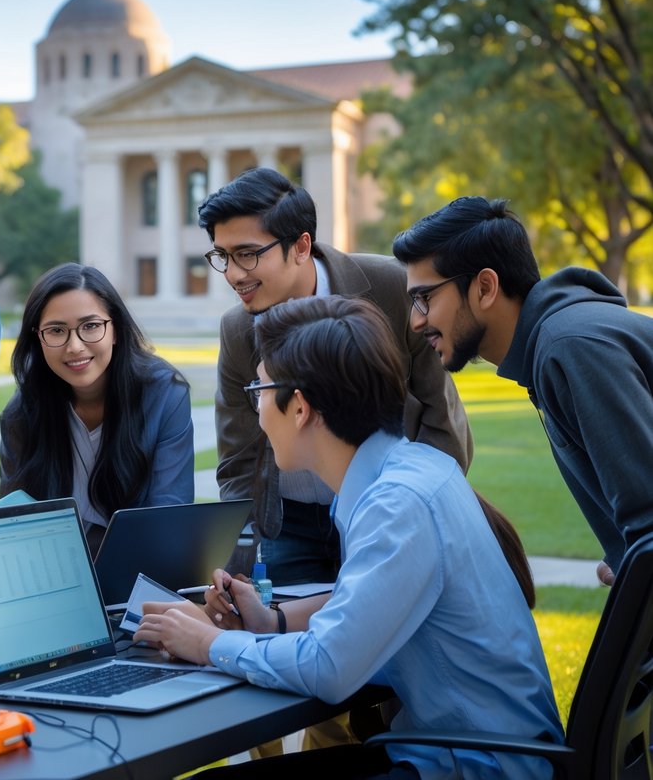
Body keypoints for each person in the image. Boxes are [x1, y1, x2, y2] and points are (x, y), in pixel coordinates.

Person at [135, 296, 562, 779]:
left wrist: (207, 642)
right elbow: (372, 601)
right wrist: (270, 620)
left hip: (475, 765)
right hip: (465, 751)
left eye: (257, 388)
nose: (254, 408)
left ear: (299, 407)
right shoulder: (409, 471)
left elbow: (330, 668)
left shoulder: (396, 504)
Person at [200, 167, 472, 586]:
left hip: (386, 506)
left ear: (301, 245)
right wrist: (240, 557)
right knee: (281, 635)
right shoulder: (237, 329)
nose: (234, 273)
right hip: (289, 524)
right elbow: (238, 458)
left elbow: (441, 413)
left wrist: (424, 507)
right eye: (222, 256)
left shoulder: (392, 288)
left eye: (248, 253)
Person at [393, 196, 653, 586]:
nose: (415, 321)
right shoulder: (556, 345)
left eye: (424, 298)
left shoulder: (569, 347)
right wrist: (623, 557)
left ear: (485, 287)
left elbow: (649, 527)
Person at [0, 263, 194, 554]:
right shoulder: (22, 413)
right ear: (38, 338)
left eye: (90, 326)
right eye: (56, 330)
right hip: (56, 569)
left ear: (114, 329)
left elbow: (168, 514)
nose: (75, 346)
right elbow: (14, 526)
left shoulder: (165, 394)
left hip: (141, 563)